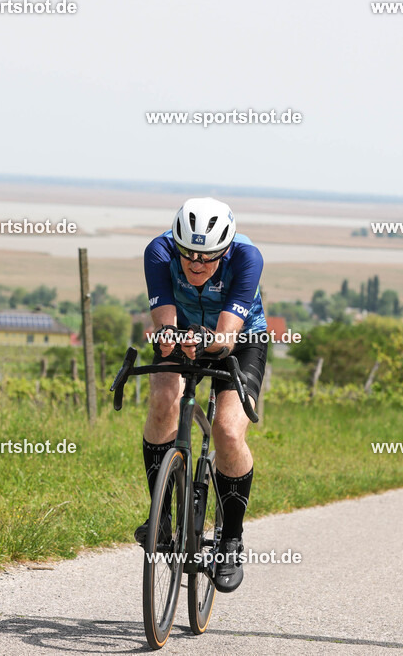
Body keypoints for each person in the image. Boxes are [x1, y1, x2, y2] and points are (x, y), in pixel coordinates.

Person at [137, 197, 268, 593]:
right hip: (183, 333)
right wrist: (167, 340)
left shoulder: (247, 257)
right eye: (188, 254)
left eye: (208, 257)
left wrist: (207, 340)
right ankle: (160, 514)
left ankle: (230, 539)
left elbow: (227, 336)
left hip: (239, 339)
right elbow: (164, 323)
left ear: (225, 250)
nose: (196, 263)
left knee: (228, 431)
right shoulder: (158, 252)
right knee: (163, 401)